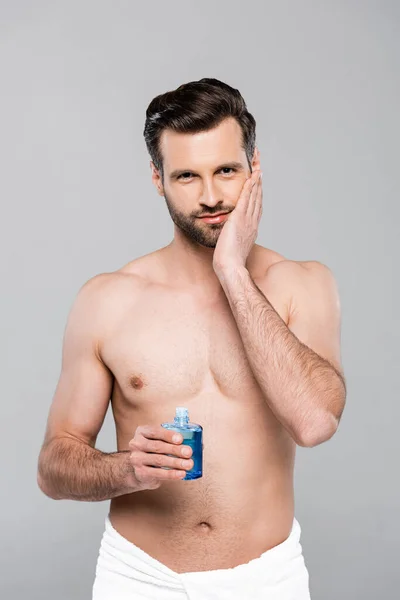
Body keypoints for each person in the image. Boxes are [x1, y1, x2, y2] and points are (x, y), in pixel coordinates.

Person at [37, 77, 346, 599]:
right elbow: (54, 467)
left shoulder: (303, 284)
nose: (210, 197)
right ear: (157, 179)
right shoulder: (107, 300)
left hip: (265, 578)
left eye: (227, 170)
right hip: (137, 576)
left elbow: (314, 422)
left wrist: (232, 270)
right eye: (186, 176)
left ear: (255, 168)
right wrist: (125, 471)